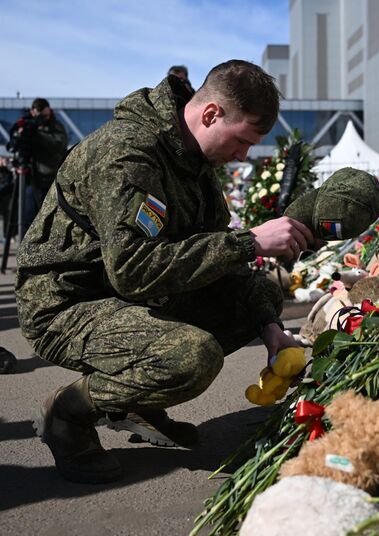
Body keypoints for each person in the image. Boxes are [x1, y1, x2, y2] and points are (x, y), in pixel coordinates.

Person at [16, 60, 317, 484]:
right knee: (191, 357)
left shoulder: (194, 163)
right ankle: (67, 413)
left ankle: (137, 400)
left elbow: (219, 262)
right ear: (211, 114)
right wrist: (248, 241)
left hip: (123, 296)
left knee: (257, 293)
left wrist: (269, 328)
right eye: (243, 140)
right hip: (64, 303)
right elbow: (132, 270)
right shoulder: (127, 152)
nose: (243, 155)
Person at [21, 98, 69, 231]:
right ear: (32, 112)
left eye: (45, 115)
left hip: (51, 180)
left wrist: (38, 135)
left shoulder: (56, 126)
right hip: (31, 178)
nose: (42, 119)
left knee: (51, 220)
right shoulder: (29, 126)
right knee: (28, 217)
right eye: (39, 116)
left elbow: (59, 145)